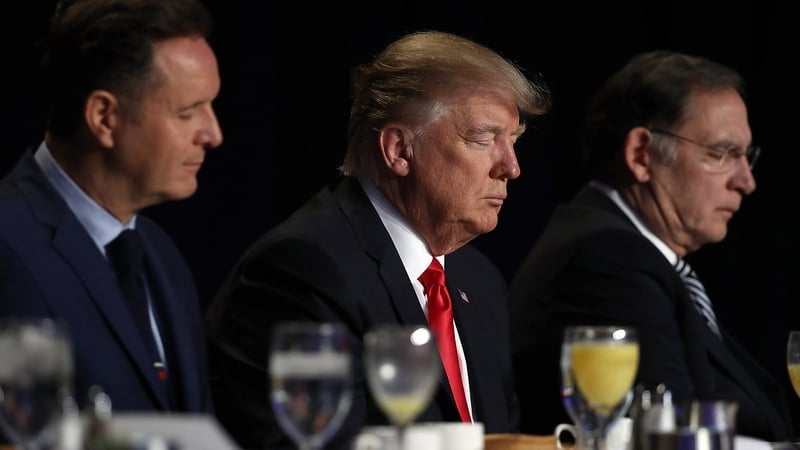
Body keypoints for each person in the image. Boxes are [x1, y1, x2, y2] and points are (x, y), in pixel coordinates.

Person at [206, 30, 551, 449]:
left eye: (513, 142)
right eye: (483, 139)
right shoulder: (303, 270)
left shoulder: (479, 280)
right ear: (399, 150)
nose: (511, 168)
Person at [509, 50, 792, 441]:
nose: (746, 181)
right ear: (642, 155)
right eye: (721, 153)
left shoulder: (639, 254)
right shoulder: (607, 260)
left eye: (747, 157)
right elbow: (674, 435)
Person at [0, 0, 223, 414]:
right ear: (104, 117)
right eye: (188, 112)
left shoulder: (161, 255)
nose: (213, 134)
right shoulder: (8, 250)